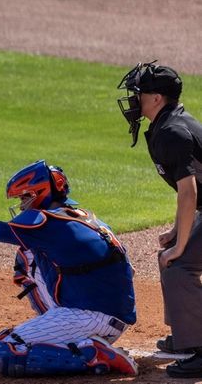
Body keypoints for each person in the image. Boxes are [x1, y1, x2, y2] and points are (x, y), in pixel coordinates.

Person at [0, 161, 138, 377]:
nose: (21, 205)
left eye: (25, 197)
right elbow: (129, 270)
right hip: (109, 315)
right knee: (27, 257)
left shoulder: (44, 222)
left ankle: (94, 354)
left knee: (3, 352)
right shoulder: (84, 218)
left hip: (91, 318)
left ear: (40, 193)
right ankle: (62, 329)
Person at [118, 61, 202, 378]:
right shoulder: (168, 125)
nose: (133, 99)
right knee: (169, 258)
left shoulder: (172, 132)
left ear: (157, 98)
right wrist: (175, 233)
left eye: (139, 93)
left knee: (179, 263)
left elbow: (189, 192)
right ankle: (187, 335)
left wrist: (181, 245)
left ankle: (200, 347)